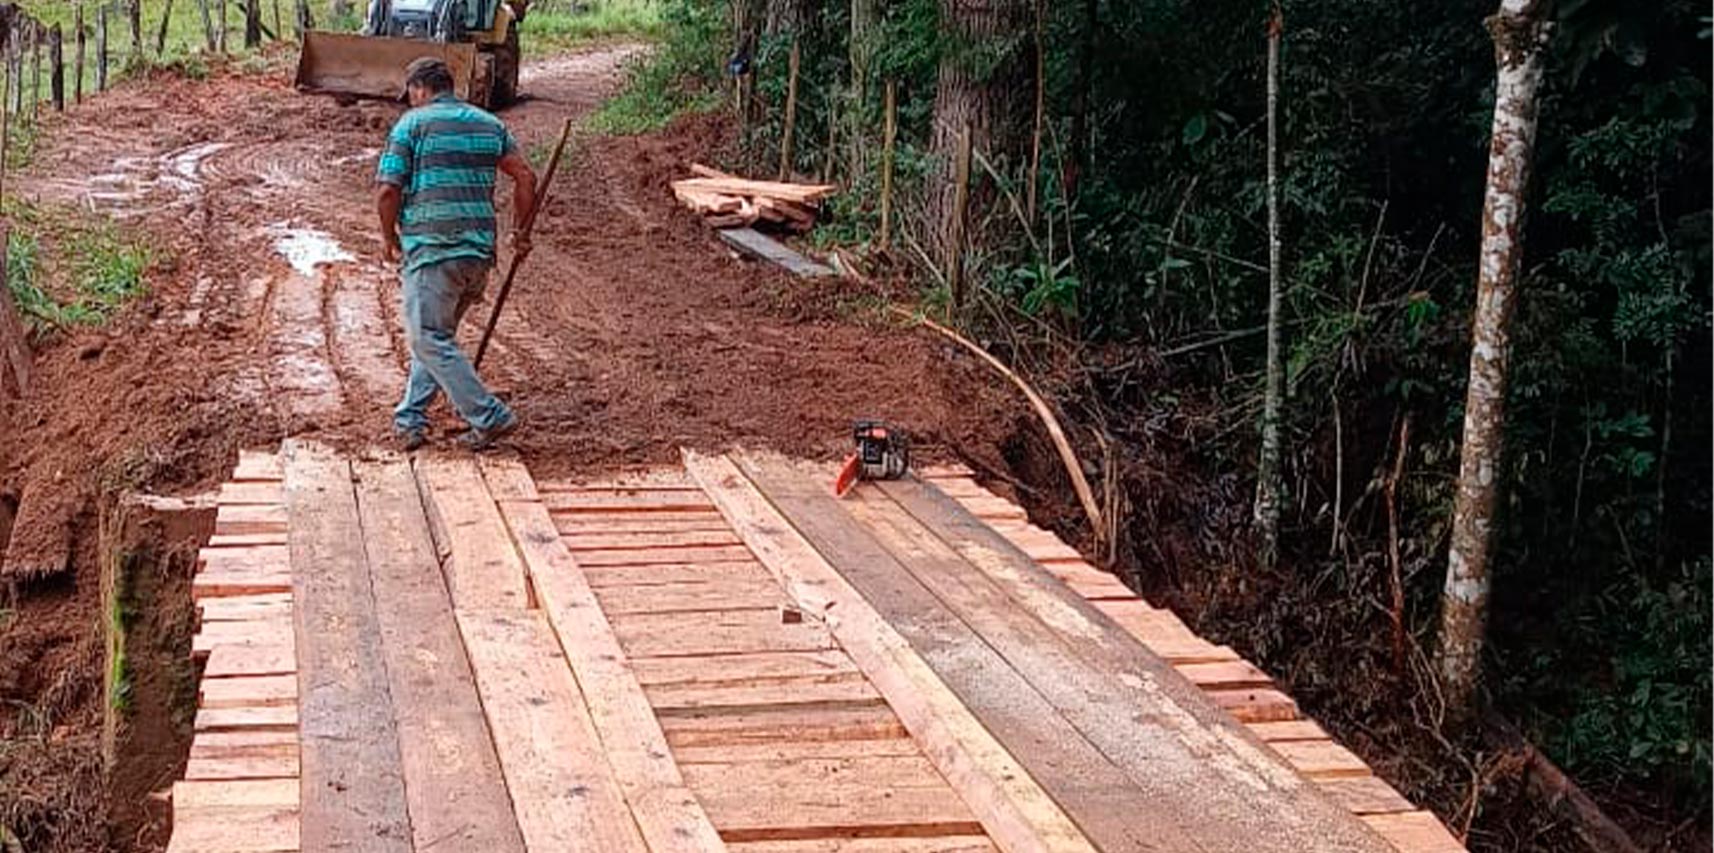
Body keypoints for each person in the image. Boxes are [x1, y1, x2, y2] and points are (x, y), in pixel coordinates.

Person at [376, 56, 537, 450]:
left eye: (410, 93)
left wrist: (388, 237)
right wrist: (520, 230)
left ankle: (488, 415)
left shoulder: (412, 125)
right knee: (436, 339)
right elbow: (525, 177)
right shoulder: (489, 124)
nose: (409, 100)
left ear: (419, 88)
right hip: (478, 255)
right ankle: (410, 418)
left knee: (427, 338)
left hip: (434, 250)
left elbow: (387, 190)